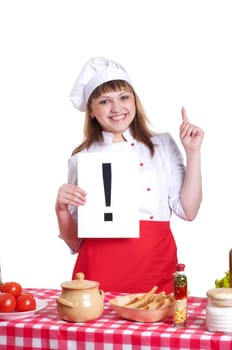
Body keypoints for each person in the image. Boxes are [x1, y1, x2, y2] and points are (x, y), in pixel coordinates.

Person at [55, 56, 204, 294]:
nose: (117, 109)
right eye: (105, 101)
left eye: (124, 97)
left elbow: (188, 210)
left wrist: (193, 152)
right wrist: (61, 209)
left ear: (134, 100)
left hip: (155, 266)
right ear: (91, 110)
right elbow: (75, 241)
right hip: (97, 271)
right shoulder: (82, 158)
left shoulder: (162, 145)